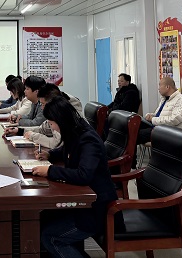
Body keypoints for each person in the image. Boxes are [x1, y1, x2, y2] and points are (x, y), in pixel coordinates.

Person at [32, 96, 119, 257]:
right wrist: (50, 154)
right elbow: (69, 151)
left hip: (95, 208)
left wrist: (50, 171)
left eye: (51, 123)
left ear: (61, 120)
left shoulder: (88, 139)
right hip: (81, 203)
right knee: (39, 220)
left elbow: (83, 175)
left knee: (50, 236)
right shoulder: (76, 131)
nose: (52, 127)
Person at [4, 83, 80, 149]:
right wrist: (19, 131)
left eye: (43, 104)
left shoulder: (65, 114)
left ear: (53, 102)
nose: (42, 108)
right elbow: (42, 129)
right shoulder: (54, 112)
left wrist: (33, 136)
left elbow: (57, 143)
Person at [136, 77, 182, 146]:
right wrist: (150, 115)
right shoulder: (165, 99)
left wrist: (153, 119)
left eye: (160, 85)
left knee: (136, 135)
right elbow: (158, 114)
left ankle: (129, 152)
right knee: (132, 128)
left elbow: (174, 120)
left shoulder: (181, 101)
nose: (158, 89)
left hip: (167, 132)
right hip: (157, 127)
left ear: (167, 87)